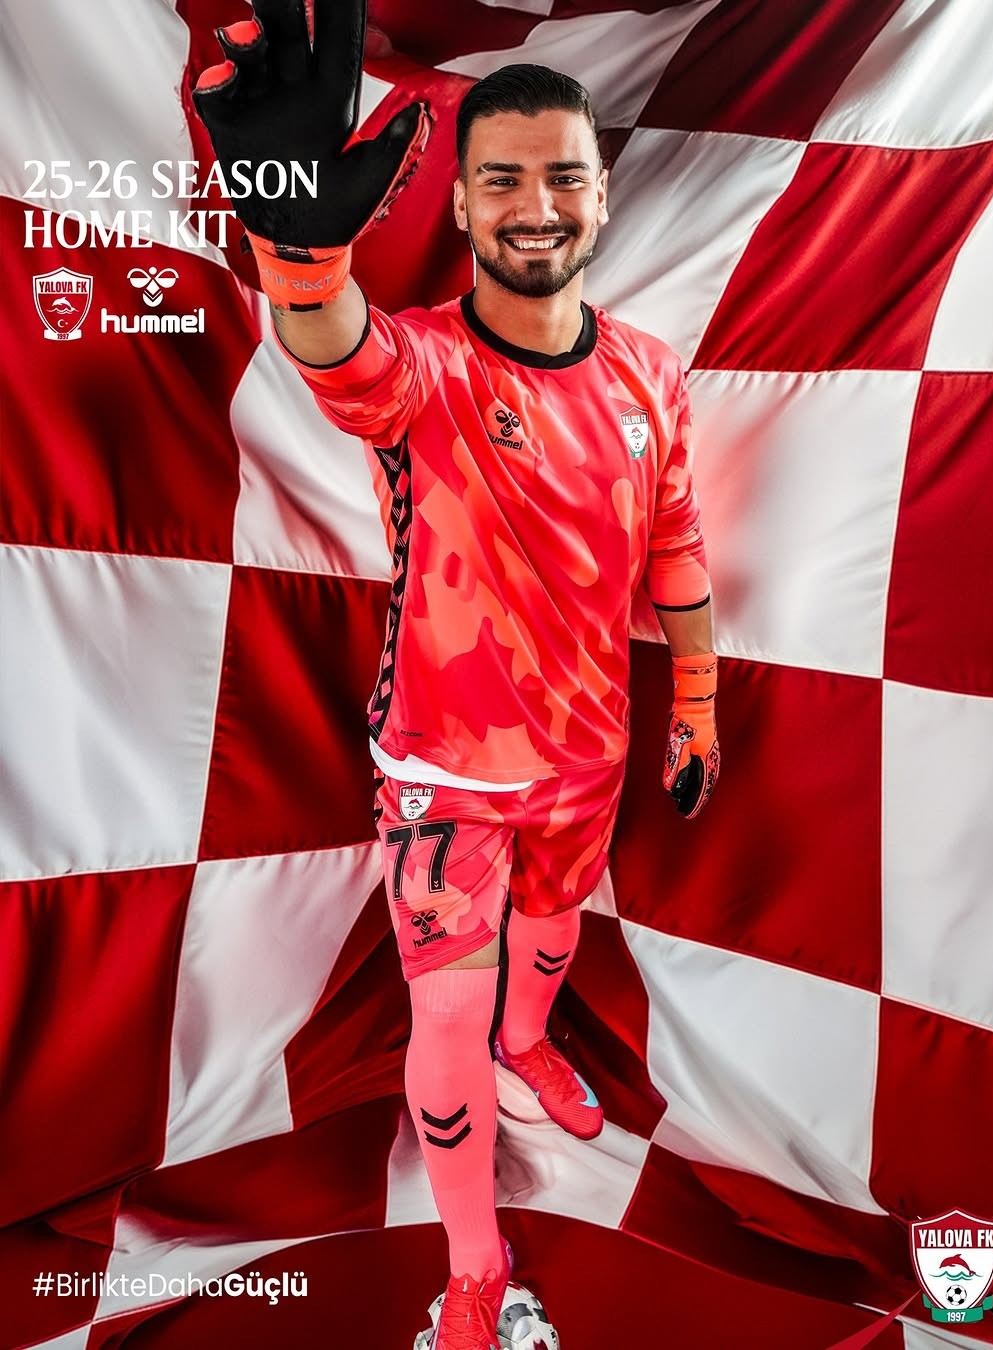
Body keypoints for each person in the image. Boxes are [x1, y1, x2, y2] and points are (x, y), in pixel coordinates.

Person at [195, 3, 720, 1346]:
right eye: (503, 178)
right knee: (444, 1009)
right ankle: (475, 1268)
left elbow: (673, 543)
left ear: (602, 192)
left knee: (551, 937)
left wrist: (698, 701)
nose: (536, 205)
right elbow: (338, 350)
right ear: (468, 203)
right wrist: (301, 253)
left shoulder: (652, 376)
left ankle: (531, 1038)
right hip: (442, 773)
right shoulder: (425, 363)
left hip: (590, 756)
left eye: (563, 174)